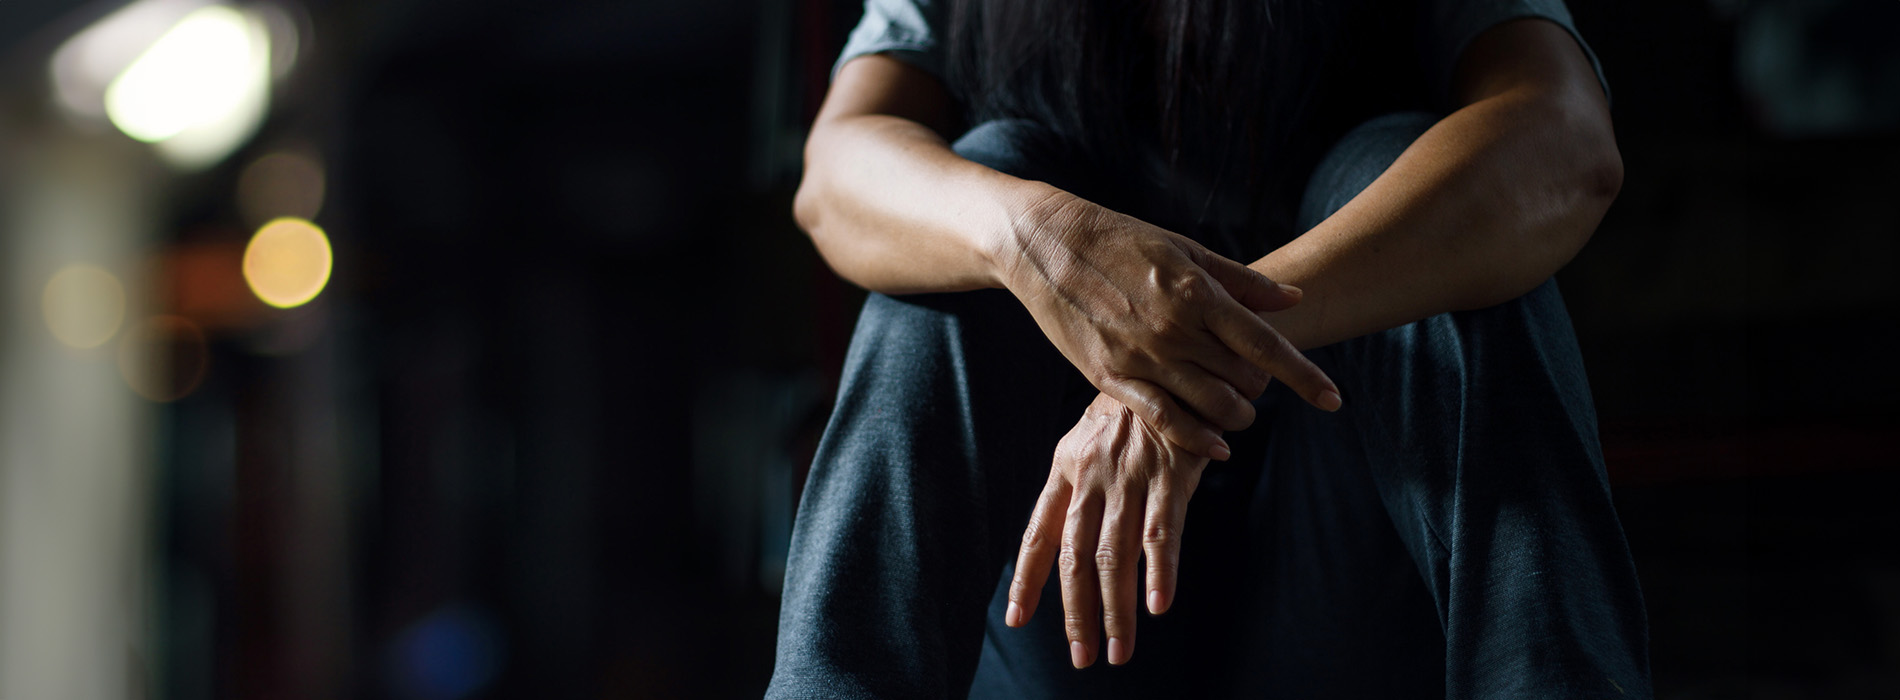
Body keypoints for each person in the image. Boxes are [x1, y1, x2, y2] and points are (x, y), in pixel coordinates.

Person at [769, 0, 1650, 696]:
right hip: (1073, 602)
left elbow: (1565, 138)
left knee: (1422, 182)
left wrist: (1183, 354)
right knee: (978, 192)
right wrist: (1032, 238)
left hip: (1350, 579)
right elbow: (836, 175)